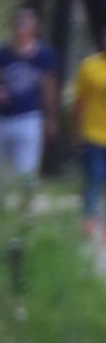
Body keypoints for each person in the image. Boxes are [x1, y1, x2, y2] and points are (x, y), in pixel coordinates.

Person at [0, 7, 53, 186]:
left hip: (28, 118)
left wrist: (50, 117)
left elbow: (48, 88)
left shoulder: (44, 56)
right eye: (18, 24)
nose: (21, 28)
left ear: (35, 29)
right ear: (12, 27)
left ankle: (24, 208)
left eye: (26, 24)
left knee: (26, 171)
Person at [73, 23, 106, 228]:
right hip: (92, 133)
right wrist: (76, 131)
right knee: (93, 178)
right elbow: (79, 102)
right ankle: (88, 221)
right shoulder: (89, 66)